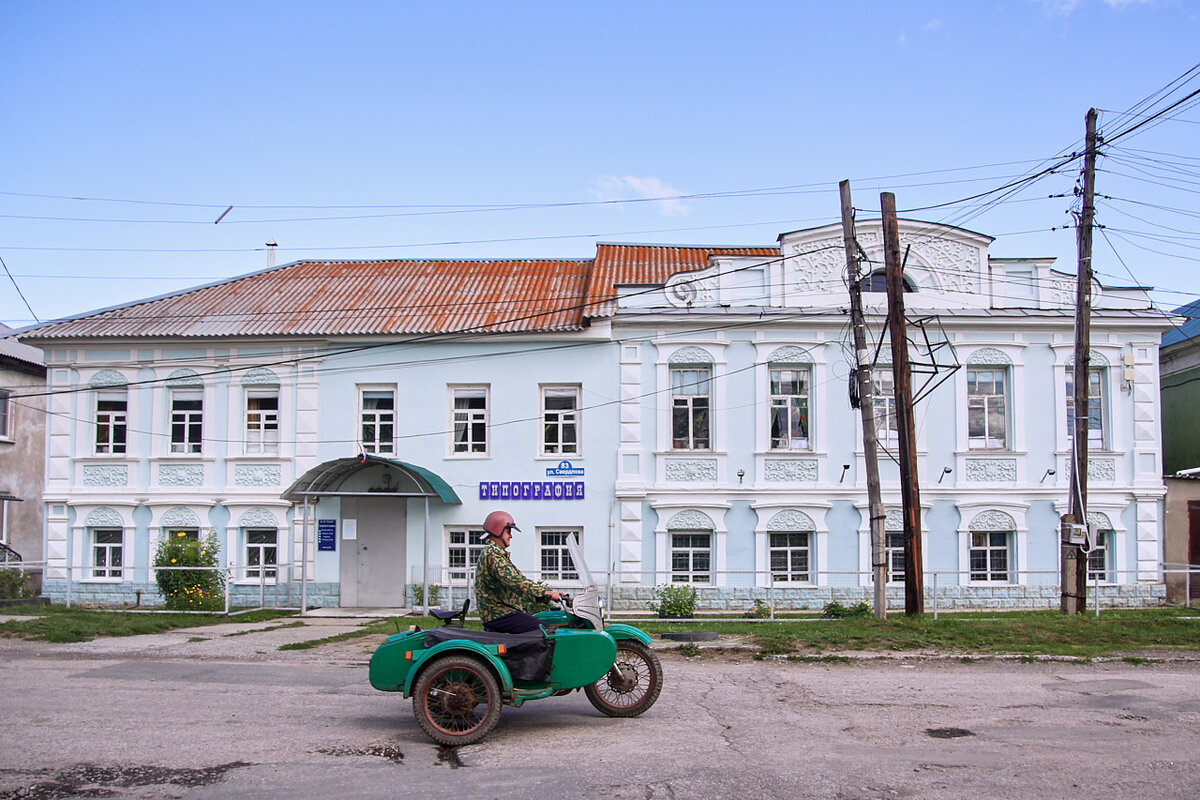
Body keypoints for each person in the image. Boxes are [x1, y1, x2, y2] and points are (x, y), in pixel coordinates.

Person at [473, 510, 562, 633]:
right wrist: (544, 592)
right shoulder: (493, 554)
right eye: (508, 532)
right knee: (547, 633)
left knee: (545, 620)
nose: (511, 536)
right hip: (499, 615)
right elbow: (514, 581)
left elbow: (518, 579)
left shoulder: (496, 553)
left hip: (505, 613)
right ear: (498, 530)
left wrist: (546, 594)